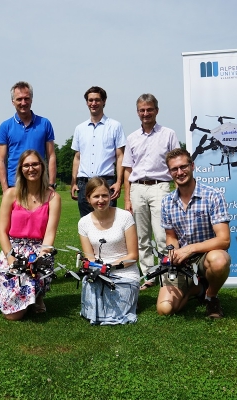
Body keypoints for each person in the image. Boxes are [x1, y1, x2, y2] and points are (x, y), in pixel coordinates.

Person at [158, 148, 230, 318]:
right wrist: (173, 251)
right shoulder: (167, 202)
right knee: (165, 310)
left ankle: (211, 296)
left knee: (219, 260)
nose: (180, 172)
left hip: (207, 256)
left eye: (183, 167)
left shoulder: (213, 196)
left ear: (192, 166)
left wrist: (189, 249)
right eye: (174, 169)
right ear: (170, 172)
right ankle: (196, 289)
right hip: (183, 261)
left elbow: (224, 240)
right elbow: (171, 236)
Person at [122, 93, 179, 290]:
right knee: (141, 237)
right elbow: (128, 169)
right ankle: (149, 274)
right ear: (137, 112)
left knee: (163, 235)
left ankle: (167, 274)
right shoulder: (131, 138)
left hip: (160, 186)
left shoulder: (168, 134)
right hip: (137, 188)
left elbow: (176, 162)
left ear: (157, 110)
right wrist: (127, 198)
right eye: (142, 110)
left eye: (149, 109)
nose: (145, 113)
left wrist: (178, 192)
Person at [0, 150, 61, 320]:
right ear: (21, 169)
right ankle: (29, 298)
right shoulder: (10, 194)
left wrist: (41, 257)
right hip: (13, 249)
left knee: (33, 277)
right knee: (13, 316)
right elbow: (2, 231)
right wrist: (11, 259)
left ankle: (37, 295)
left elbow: (50, 233)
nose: (31, 168)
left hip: (39, 250)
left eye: (35, 164)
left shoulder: (53, 197)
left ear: (42, 167)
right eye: (26, 165)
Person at [78, 177, 140, 325]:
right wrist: (97, 269)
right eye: (96, 196)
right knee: (96, 294)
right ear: (88, 199)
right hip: (99, 273)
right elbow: (90, 257)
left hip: (125, 272)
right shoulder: (83, 223)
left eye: (104, 195)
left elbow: (133, 256)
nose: (101, 200)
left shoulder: (125, 217)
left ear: (111, 196)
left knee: (111, 304)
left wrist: (109, 267)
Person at [71, 86, 126, 217]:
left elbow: (120, 156)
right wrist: (73, 183)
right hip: (84, 184)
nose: (93, 103)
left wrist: (119, 182)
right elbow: (77, 157)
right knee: (86, 225)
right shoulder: (80, 128)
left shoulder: (115, 126)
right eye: (90, 100)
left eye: (97, 100)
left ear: (104, 101)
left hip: (107, 183)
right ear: (86, 102)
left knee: (109, 225)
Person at [0, 81, 57, 192]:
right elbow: (1, 160)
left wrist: (51, 184)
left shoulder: (44, 123)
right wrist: (5, 190)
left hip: (40, 184)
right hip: (15, 185)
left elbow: (51, 155)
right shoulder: (5, 127)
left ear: (31, 100)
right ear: (13, 102)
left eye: (26, 98)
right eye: (19, 99)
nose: (23, 103)